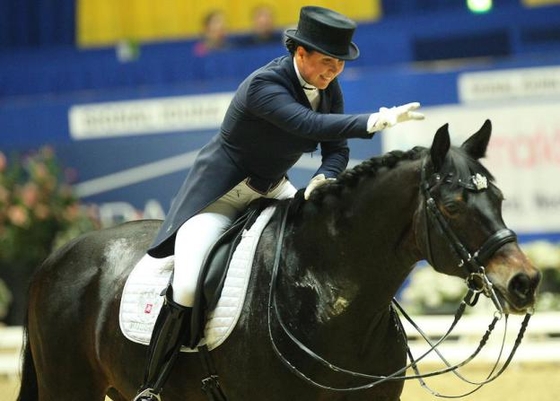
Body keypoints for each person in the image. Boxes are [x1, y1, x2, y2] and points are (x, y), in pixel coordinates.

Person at [133, 5, 424, 400]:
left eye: (338, 64)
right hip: (221, 198)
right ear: (299, 53)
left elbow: (334, 149)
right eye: (326, 62)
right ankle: (154, 382)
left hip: (273, 190)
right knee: (186, 284)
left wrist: (327, 177)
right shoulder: (263, 86)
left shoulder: (327, 89)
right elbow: (308, 126)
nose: (332, 72)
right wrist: (373, 121)